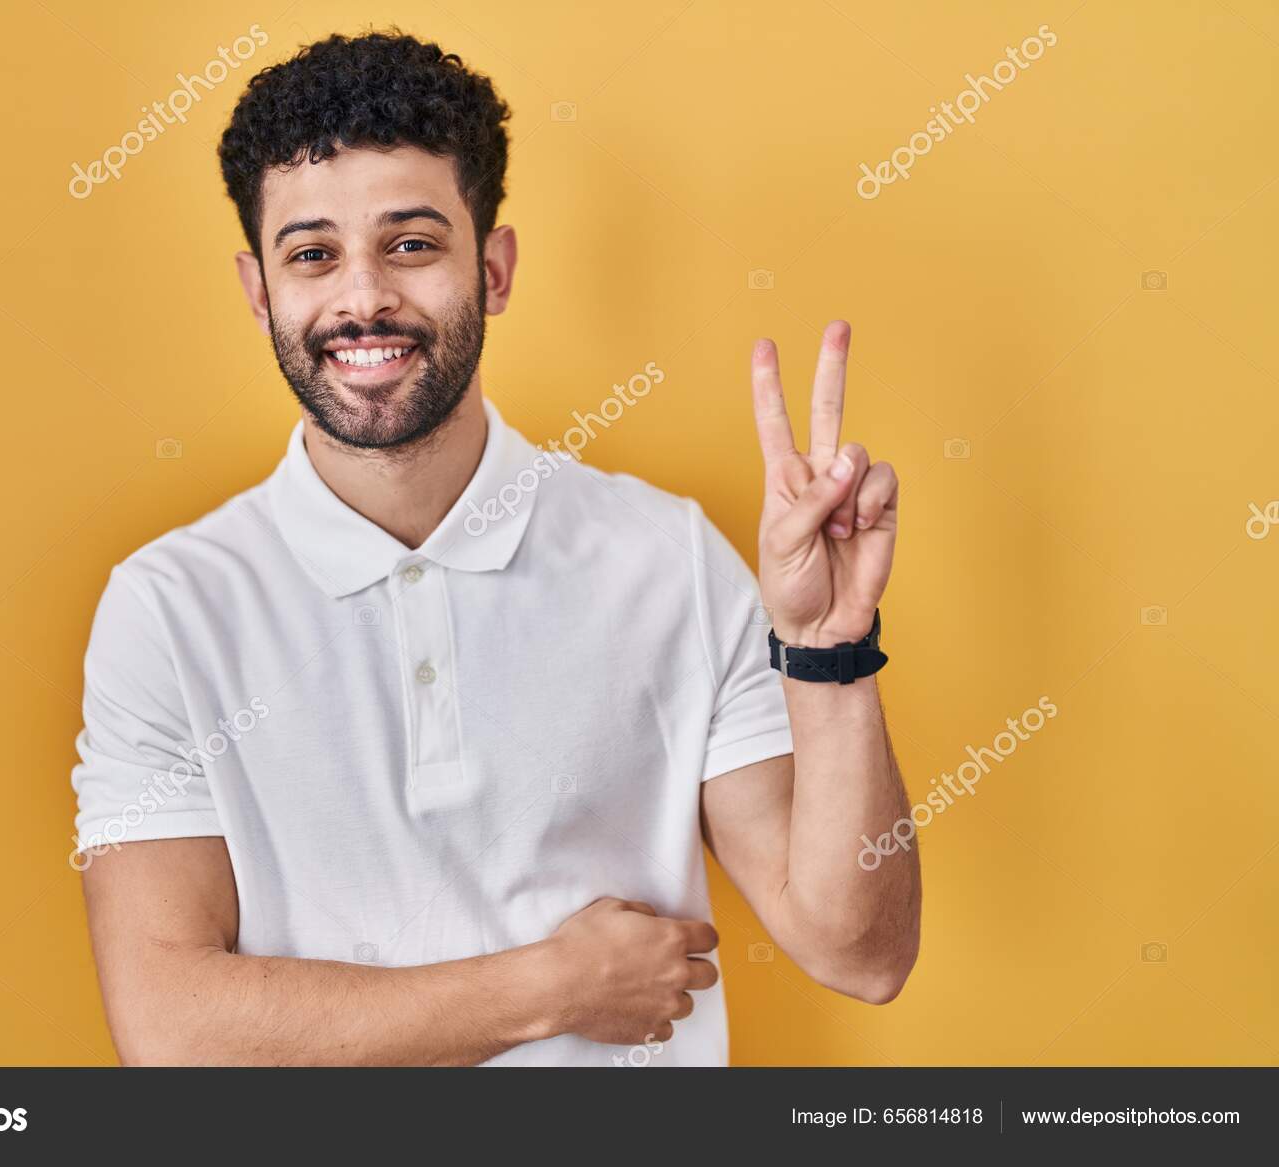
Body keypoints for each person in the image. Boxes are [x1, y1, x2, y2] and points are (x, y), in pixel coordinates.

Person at [72, 30, 918, 1066]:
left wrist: (828, 650)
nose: (362, 298)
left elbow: (860, 951)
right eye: (312, 254)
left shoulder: (668, 558)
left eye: (412, 244)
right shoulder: (167, 609)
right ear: (259, 293)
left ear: (497, 267)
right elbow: (171, 1033)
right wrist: (552, 988)